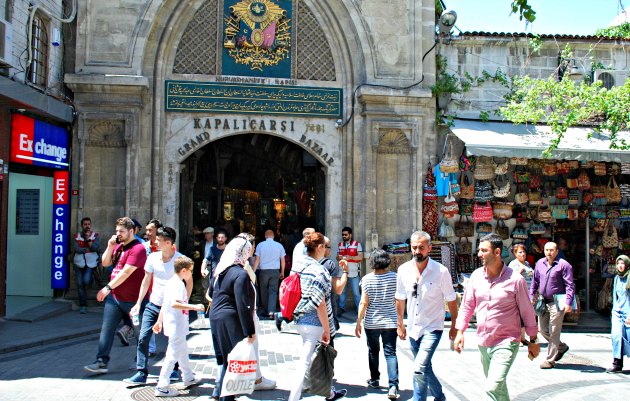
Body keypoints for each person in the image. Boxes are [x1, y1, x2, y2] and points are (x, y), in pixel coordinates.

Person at [454, 234, 540, 401]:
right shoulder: (476, 276)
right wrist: (460, 332)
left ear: (497, 252)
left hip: (507, 341)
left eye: (484, 250)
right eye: (479, 250)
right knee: (498, 389)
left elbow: (527, 311)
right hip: (484, 341)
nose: (479, 254)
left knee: (492, 385)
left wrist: (533, 340)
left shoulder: (516, 279)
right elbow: (467, 306)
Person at [123, 227, 192, 384]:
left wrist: (184, 301)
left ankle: (174, 370)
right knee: (143, 337)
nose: (155, 242)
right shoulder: (153, 258)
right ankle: (141, 372)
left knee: (173, 340)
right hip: (153, 304)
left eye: (159, 240)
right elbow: (146, 280)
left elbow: (189, 280)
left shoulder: (180, 260)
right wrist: (139, 303)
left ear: (168, 243)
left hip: (172, 307)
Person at [395, 231, 458, 401]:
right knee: (424, 366)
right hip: (413, 329)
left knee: (419, 368)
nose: (417, 251)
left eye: (421, 248)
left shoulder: (441, 271)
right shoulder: (403, 270)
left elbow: (451, 300)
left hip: (433, 328)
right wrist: (400, 324)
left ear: (429, 248)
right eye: (414, 248)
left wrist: (454, 326)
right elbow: (400, 298)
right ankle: (439, 396)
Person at [84, 217, 148, 374]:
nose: (118, 234)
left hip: (135, 301)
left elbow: (127, 271)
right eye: (117, 231)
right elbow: (105, 263)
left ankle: (141, 364)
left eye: (122, 231)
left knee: (141, 333)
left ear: (131, 231)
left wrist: (107, 288)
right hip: (116, 298)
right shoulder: (119, 246)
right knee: (107, 330)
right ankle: (101, 362)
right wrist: (109, 246)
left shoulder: (138, 249)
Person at [288, 232, 347, 401]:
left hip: (300, 318)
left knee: (312, 357)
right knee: (305, 362)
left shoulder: (298, 266)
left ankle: (328, 392)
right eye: (326, 246)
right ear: (320, 247)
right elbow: (320, 303)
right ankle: (293, 397)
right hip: (314, 322)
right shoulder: (319, 271)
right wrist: (327, 329)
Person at [209, 234, 257, 401]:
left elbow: (210, 293)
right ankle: (227, 397)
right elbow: (242, 304)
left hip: (215, 317)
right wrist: (250, 331)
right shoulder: (240, 274)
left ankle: (219, 393)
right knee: (233, 361)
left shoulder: (220, 271)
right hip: (230, 318)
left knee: (227, 359)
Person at [151, 256, 203, 397]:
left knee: (182, 350)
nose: (191, 274)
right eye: (191, 271)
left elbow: (165, 304)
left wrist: (159, 321)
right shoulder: (178, 284)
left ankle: (188, 376)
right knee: (172, 355)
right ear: (184, 270)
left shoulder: (172, 282)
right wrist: (194, 306)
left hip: (175, 323)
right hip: (176, 324)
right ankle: (162, 386)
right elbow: (174, 304)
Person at [356, 249, 399, 400]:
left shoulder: (366, 279)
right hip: (390, 322)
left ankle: (375, 379)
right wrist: (400, 321)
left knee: (373, 351)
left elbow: (363, 302)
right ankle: (393, 385)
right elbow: (398, 300)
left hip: (372, 322)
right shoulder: (395, 278)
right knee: (390, 352)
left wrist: (358, 322)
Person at [528, 241, 575, 369]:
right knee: (542, 330)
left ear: (557, 251)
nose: (549, 252)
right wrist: (531, 296)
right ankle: (561, 347)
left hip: (557, 302)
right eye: (547, 250)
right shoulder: (539, 263)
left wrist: (568, 302)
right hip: (543, 301)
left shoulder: (563, 265)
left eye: (551, 250)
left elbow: (570, 285)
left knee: (554, 331)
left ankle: (550, 360)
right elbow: (534, 282)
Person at [253, 229, 286, 319]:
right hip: (275, 271)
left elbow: (257, 259)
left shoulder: (260, 245)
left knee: (263, 291)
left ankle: (265, 310)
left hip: (263, 272)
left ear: (265, 236)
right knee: (273, 291)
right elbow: (283, 260)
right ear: (273, 236)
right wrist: (282, 271)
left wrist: (253, 271)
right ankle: (271, 311)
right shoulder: (279, 245)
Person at [607, 254, 630, 373]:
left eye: (623, 263)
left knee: (629, 337)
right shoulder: (616, 278)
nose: (620, 266)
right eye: (618, 263)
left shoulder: (629, 277)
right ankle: (617, 363)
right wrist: (614, 310)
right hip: (617, 311)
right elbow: (616, 295)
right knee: (616, 336)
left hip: (628, 311)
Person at [73, 217, 100, 314]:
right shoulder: (76, 236)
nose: (87, 226)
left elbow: (95, 248)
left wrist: (88, 240)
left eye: (89, 224)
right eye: (85, 224)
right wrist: (87, 249)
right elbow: (77, 249)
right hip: (78, 263)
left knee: (86, 281)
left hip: (91, 263)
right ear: (82, 225)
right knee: (80, 285)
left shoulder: (95, 236)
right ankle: (83, 305)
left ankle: (92, 278)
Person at [508, 243, 533, 346]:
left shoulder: (527, 263)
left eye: (524, 252)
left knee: (524, 317)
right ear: (515, 253)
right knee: (517, 317)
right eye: (520, 252)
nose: (523, 254)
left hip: (527, 294)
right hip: (518, 294)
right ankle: (517, 338)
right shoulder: (513, 264)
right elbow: (510, 278)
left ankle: (522, 338)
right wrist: (519, 271)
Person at [336, 226, 363, 315]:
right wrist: (338, 257)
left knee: (356, 293)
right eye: (342, 235)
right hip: (342, 272)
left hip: (354, 272)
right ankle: (341, 308)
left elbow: (360, 257)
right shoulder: (340, 245)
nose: (344, 236)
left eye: (345, 234)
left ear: (350, 235)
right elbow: (337, 257)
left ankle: (359, 309)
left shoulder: (356, 244)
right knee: (342, 292)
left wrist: (350, 257)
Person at [202, 229, 227, 299]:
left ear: (225, 238)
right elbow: (205, 260)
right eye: (219, 237)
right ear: (216, 238)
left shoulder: (229, 249)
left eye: (222, 237)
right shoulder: (212, 249)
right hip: (214, 276)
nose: (220, 239)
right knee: (212, 294)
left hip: (226, 275)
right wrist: (202, 269)